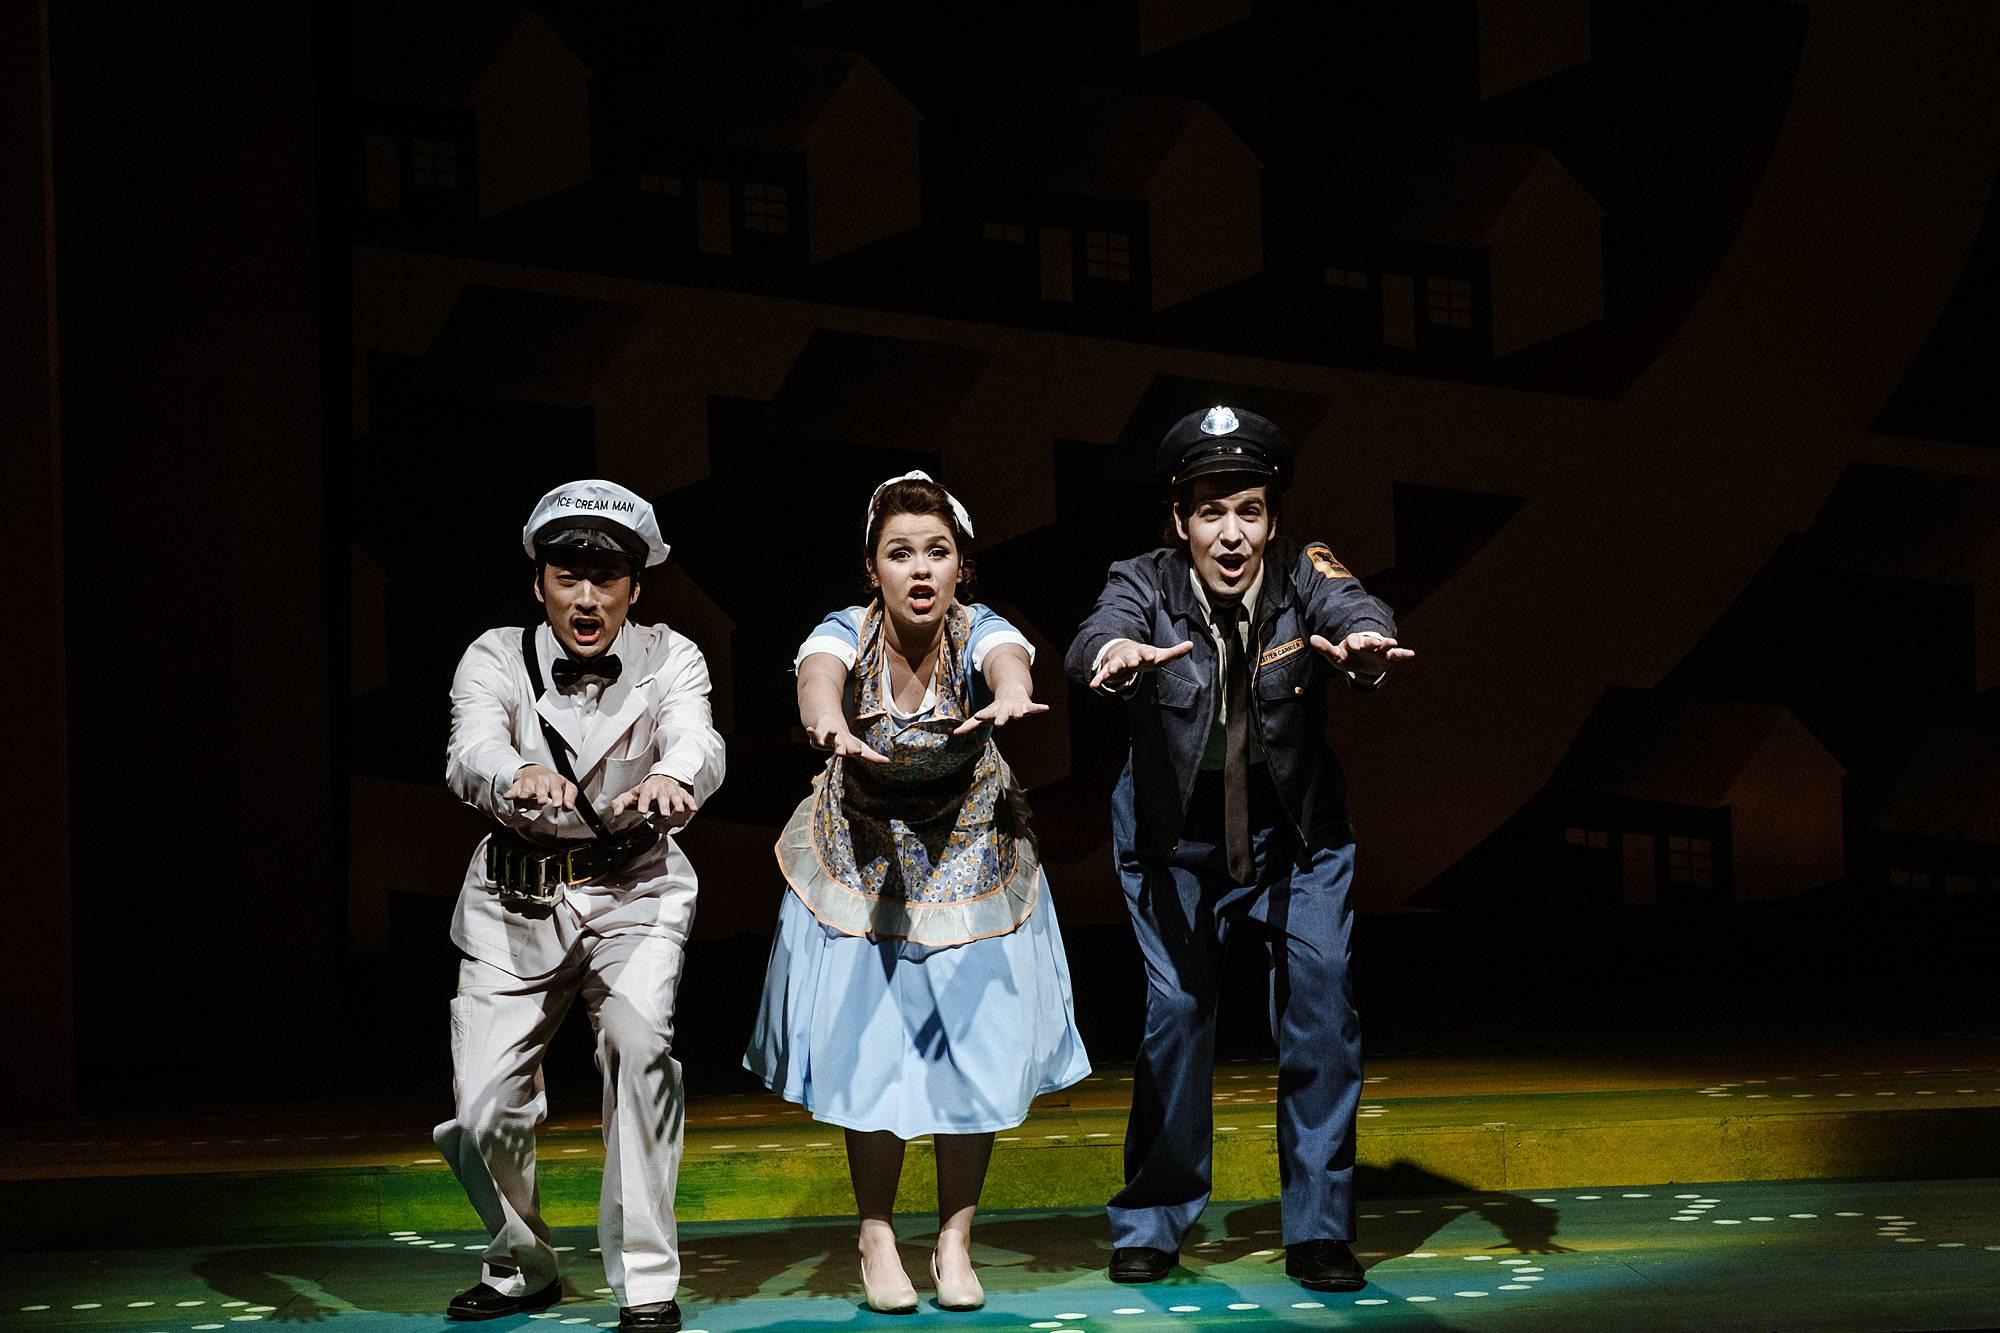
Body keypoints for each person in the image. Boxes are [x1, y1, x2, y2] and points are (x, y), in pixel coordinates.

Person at [1064, 407, 1414, 1293]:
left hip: (1294, 834)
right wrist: (1113, 654)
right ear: (1180, 518)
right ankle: (1153, 1215)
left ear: (1271, 517)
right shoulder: (1141, 580)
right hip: (1172, 835)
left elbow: (1355, 606)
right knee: (1179, 1014)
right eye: (1212, 511)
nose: (1232, 533)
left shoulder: (1304, 573)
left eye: (1250, 511)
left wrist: (1366, 648)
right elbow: (1093, 633)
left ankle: (1320, 1229)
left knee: (1322, 1005)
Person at [746, 471, 1092, 1314]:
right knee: (874, 1061)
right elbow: (817, 676)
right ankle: (875, 1236)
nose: (920, 568)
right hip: (864, 865)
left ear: (960, 565)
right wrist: (825, 719)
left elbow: (1007, 660)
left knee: (969, 1055)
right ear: (874, 569)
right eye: (900, 553)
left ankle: (954, 1239)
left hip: (971, 861)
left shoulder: (982, 629)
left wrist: (1011, 695)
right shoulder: (844, 631)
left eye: (937, 552)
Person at [435, 479, 725, 1333]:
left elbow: (697, 735)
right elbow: (470, 746)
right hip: (514, 898)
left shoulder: (673, 655)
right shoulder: (493, 655)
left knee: (639, 1051)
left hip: (636, 888)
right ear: (540, 582)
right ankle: (522, 1260)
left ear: (636, 586)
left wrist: (676, 775)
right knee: (483, 1106)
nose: (588, 597)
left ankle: (645, 1282)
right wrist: (510, 772)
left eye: (607, 579)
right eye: (569, 576)